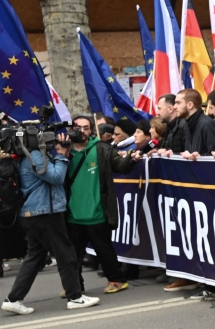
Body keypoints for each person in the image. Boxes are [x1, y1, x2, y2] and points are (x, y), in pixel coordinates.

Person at [2, 139, 100, 314]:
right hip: (45, 212)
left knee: (35, 257)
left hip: (35, 212)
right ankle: (75, 297)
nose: (48, 140)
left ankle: (14, 299)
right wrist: (61, 155)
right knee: (66, 253)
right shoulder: (35, 156)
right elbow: (56, 178)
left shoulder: (26, 156)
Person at [65, 115, 136, 296]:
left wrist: (132, 158)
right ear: (70, 128)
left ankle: (117, 280)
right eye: (77, 127)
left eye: (86, 128)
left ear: (90, 131)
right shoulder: (63, 151)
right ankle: (75, 287)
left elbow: (121, 165)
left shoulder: (102, 149)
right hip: (71, 213)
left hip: (97, 211)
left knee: (104, 250)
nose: (81, 131)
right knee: (72, 255)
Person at [173, 88, 215, 155]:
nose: (174, 107)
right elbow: (189, 153)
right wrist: (173, 154)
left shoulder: (206, 124)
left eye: (178, 103)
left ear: (190, 105)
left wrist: (199, 157)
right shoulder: (187, 124)